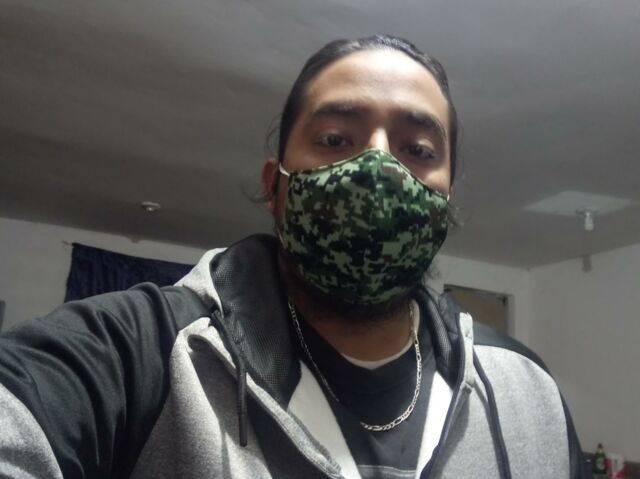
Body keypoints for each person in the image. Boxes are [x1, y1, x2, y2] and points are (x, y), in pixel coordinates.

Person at [0, 35, 587, 479]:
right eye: (335, 140)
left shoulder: (525, 391)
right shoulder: (141, 354)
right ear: (275, 185)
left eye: (417, 149)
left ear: (445, 200)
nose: (378, 168)